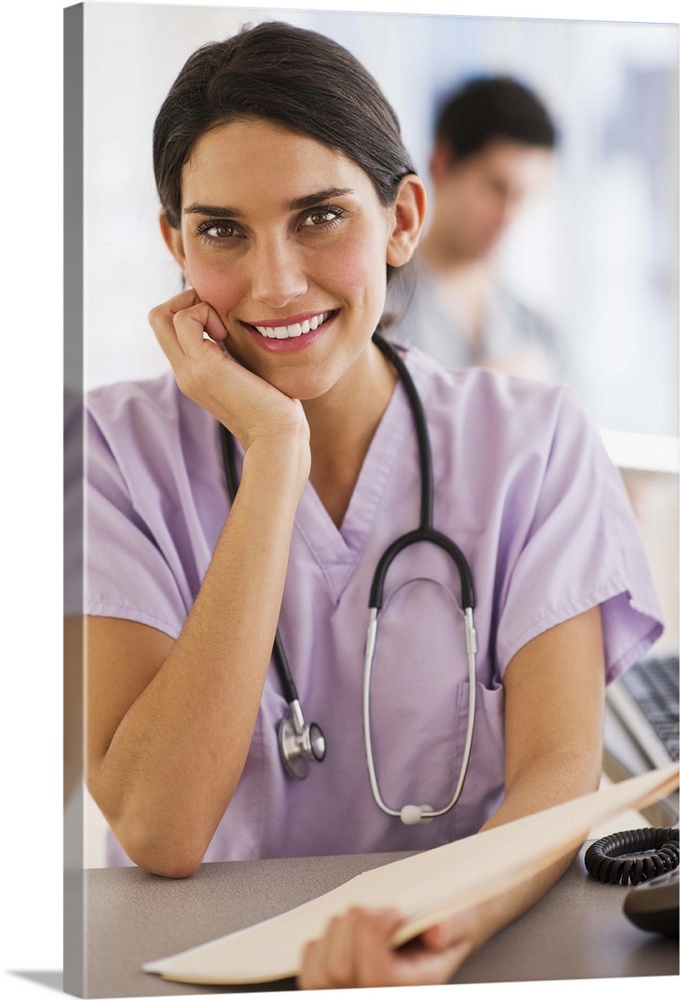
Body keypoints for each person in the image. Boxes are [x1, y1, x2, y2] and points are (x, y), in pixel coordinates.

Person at [66, 21, 664, 989]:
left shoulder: (534, 441)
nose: (275, 282)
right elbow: (160, 827)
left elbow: (555, 774)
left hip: (458, 957)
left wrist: (429, 928)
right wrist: (271, 455)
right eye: (222, 230)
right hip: (181, 971)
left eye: (318, 217)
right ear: (176, 243)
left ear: (402, 216)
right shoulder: (103, 453)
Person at [387, 74, 565, 382]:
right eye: (497, 188)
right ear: (440, 163)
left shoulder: (538, 332)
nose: (509, 216)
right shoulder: (378, 313)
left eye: (525, 195)